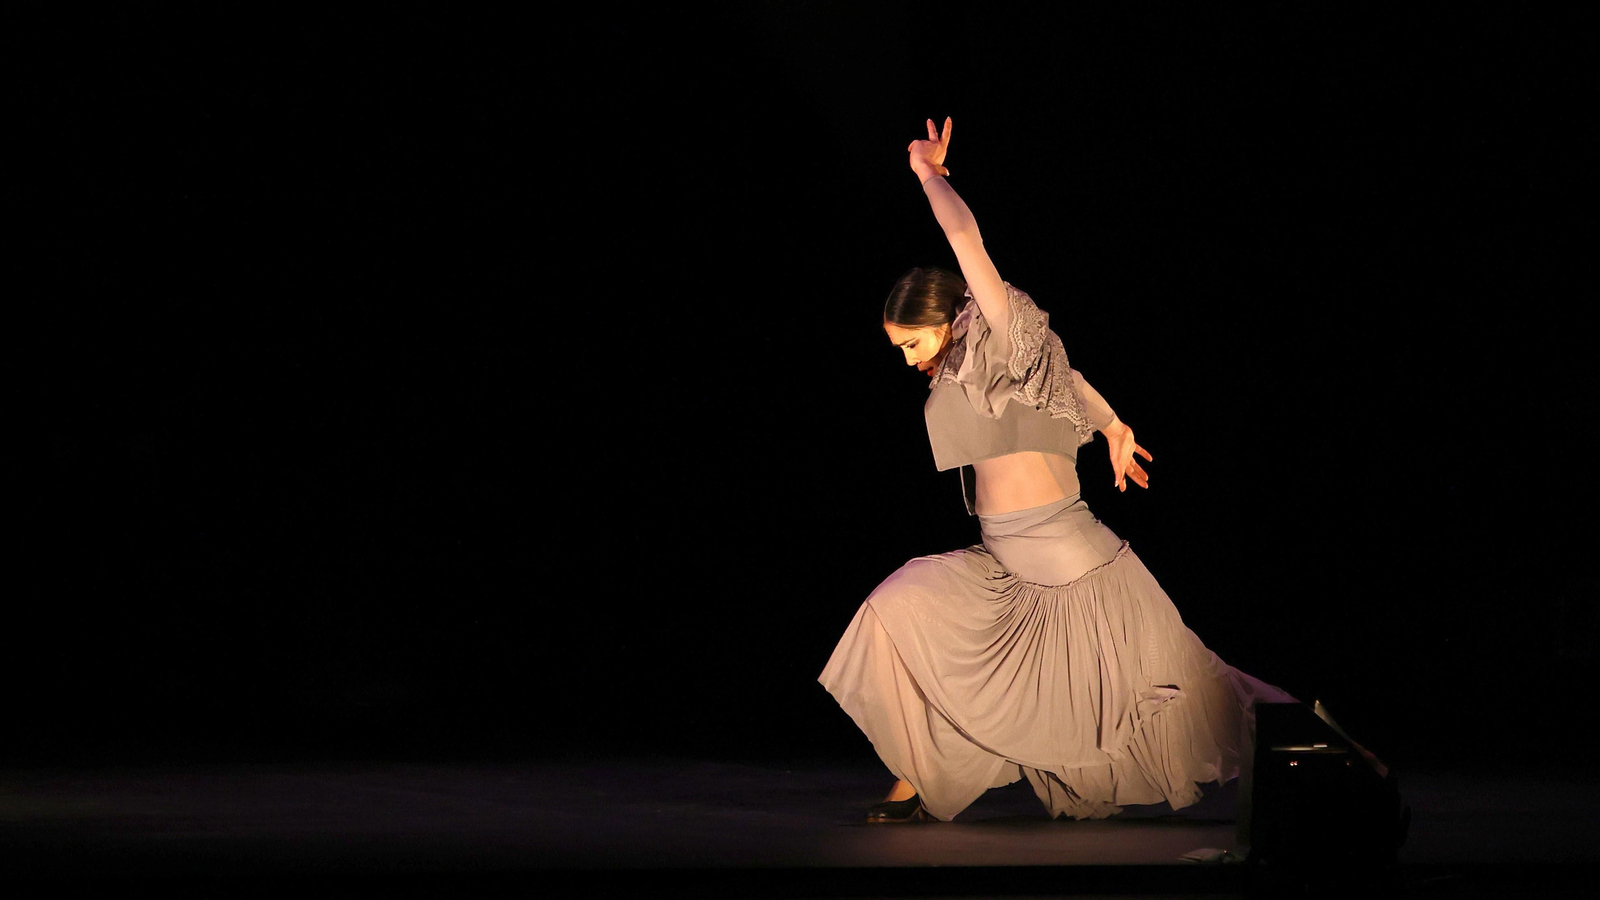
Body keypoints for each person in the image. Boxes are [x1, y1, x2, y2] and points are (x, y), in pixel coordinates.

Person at [818, 117, 1299, 824]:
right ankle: (915, 780)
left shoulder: (1001, 331)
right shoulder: (964, 370)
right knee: (906, 614)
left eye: (912, 342)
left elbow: (965, 239)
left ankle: (1339, 753)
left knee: (1205, 693)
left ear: (945, 317)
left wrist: (928, 174)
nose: (909, 359)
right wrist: (1112, 424)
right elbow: (1066, 380)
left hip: (1072, 564)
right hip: (1006, 566)